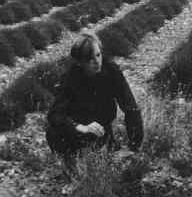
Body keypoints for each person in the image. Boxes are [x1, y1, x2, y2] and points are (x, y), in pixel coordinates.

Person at [46, 32, 143, 163]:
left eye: (98, 55)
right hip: (79, 130)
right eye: (90, 59)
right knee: (52, 131)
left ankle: (102, 149)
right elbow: (55, 115)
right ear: (80, 62)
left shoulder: (111, 70)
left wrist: (133, 146)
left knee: (110, 159)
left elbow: (130, 106)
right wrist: (80, 127)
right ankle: (70, 162)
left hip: (102, 130)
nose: (97, 62)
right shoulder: (71, 77)